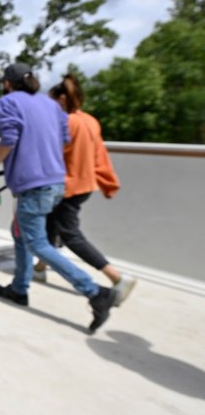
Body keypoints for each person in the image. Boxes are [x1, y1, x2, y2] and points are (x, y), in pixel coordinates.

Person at [0, 63, 129, 334]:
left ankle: (95, 293)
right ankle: (19, 289)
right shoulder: (52, 107)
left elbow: (9, 140)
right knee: (22, 236)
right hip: (56, 182)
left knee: (38, 244)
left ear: (8, 84)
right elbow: (63, 139)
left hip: (32, 185)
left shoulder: (8, 102)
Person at [32, 74, 137, 302]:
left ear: (61, 99)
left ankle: (117, 277)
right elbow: (99, 153)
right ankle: (40, 269)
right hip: (86, 184)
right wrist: (107, 181)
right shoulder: (90, 120)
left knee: (70, 235)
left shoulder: (66, 123)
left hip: (68, 186)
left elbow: (49, 156)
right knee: (52, 225)